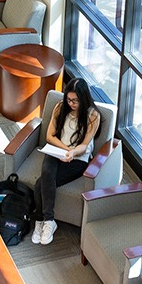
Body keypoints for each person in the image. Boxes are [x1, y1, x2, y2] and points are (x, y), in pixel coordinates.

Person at [32, 78, 100, 245]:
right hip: (56, 151)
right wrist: (64, 149)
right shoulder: (60, 107)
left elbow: (84, 145)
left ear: (83, 98)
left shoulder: (93, 116)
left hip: (77, 158)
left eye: (75, 101)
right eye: (69, 99)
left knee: (40, 184)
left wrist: (71, 152)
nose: (71, 104)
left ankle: (42, 220)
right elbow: (49, 136)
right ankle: (48, 221)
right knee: (47, 173)